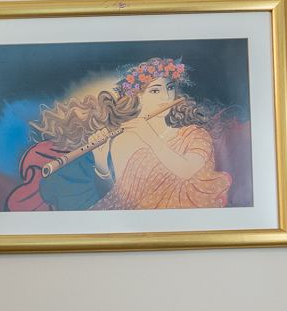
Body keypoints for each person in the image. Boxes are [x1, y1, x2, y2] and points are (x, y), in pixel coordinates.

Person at [15, 57, 234, 211]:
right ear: (137, 97)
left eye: (170, 88)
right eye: (155, 91)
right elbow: (119, 196)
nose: (166, 97)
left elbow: (186, 171)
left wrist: (150, 138)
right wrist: (101, 163)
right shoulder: (123, 139)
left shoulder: (194, 134)